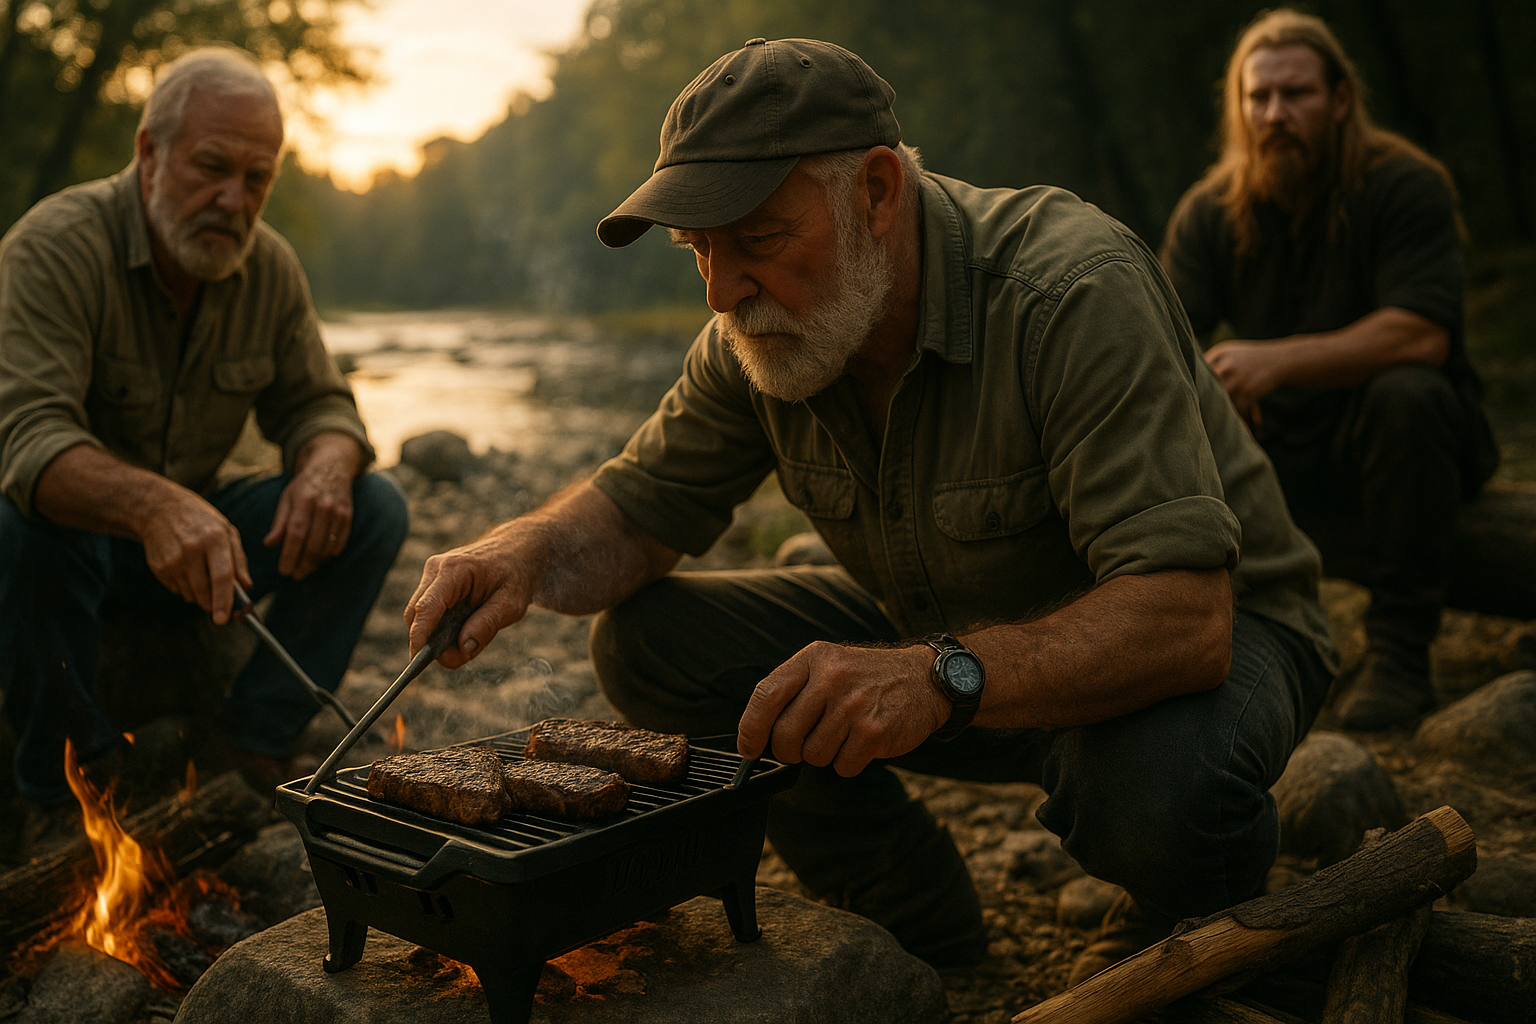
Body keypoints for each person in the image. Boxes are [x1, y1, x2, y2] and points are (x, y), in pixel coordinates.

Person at [406, 38, 1335, 979]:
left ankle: (1194, 918)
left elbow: (1186, 620)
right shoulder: (759, 330)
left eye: (759, 239)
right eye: (699, 251)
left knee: (1153, 793)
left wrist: (935, 679)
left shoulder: (1072, 292)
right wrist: (522, 550)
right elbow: (639, 510)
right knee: (648, 642)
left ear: (878, 193)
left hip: (1214, 636)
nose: (724, 290)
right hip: (945, 640)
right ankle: (911, 906)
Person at [0, 47, 409, 819]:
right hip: (71, 545)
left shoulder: (270, 269)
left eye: (257, 179)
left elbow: (322, 406)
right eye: (212, 167)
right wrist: (155, 508)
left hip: (195, 553)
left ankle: (251, 745)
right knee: (18, 524)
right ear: (149, 154)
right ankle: (64, 787)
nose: (234, 199)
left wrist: (325, 466)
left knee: (375, 505)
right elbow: (27, 439)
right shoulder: (54, 247)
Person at [1160, 9, 1498, 731]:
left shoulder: (1405, 184)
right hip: (1285, 445)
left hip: (1409, 437)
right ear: (1240, 107)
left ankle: (1401, 657)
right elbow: (1158, 348)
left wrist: (1273, 362)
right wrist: (1210, 387)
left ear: (1340, 99)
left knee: (1409, 395)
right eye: (1260, 98)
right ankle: (1224, 658)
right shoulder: (1210, 212)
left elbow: (1423, 334)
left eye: (1297, 94)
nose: (1276, 114)